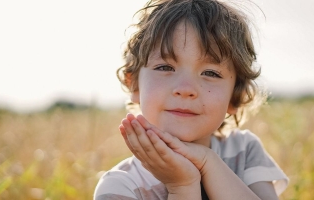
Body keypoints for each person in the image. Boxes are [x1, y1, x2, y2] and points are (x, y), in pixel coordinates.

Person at [94, 0, 289, 199]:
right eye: (165, 67)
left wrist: (208, 162)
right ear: (134, 84)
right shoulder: (120, 187)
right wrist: (182, 186)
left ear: (234, 97)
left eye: (211, 73)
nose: (186, 89)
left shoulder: (244, 151)